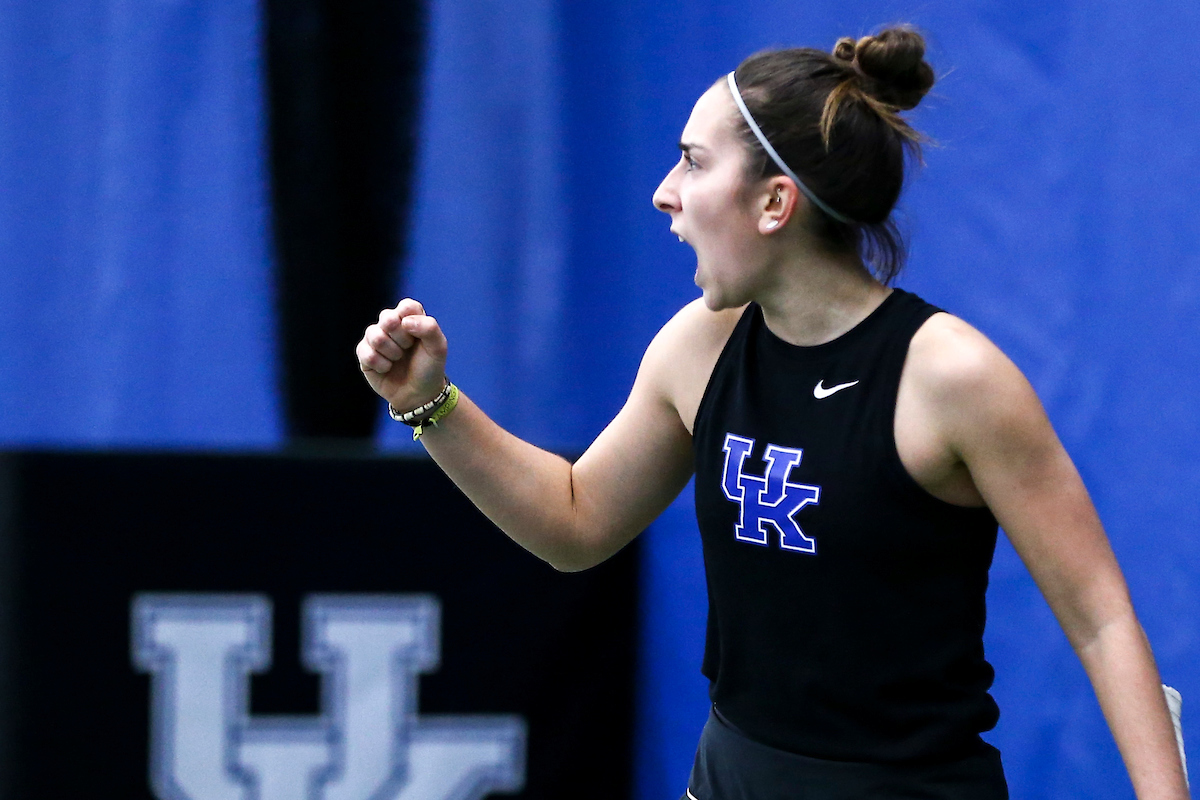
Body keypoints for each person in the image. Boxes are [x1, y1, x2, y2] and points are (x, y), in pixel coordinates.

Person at [356, 26, 1189, 800]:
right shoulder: (699, 347)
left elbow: (1101, 619)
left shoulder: (954, 377)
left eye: (692, 162)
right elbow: (575, 523)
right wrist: (430, 403)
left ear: (773, 205)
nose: (663, 194)